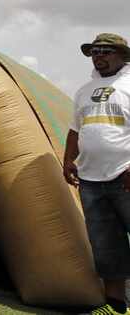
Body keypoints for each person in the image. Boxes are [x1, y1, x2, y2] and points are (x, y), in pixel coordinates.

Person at [64, 33, 130, 315]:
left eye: (105, 51)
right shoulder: (84, 91)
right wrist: (68, 160)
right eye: (94, 51)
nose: (98, 56)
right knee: (106, 245)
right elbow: (75, 129)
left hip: (124, 177)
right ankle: (116, 307)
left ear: (123, 56)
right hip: (90, 180)